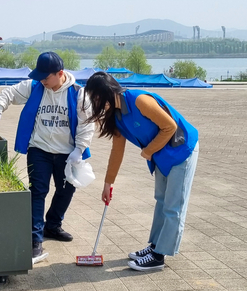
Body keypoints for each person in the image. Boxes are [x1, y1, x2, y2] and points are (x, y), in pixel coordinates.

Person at [83, 71, 199, 271]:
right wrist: (108, 183)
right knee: (161, 201)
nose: (96, 103)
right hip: (162, 154)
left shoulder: (139, 100)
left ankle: (159, 257)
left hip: (182, 149)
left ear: (108, 92)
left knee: (173, 206)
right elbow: (117, 151)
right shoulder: (116, 116)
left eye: (96, 97)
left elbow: (169, 127)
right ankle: (155, 246)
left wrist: (147, 151)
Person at [0, 52, 94, 263]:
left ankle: (52, 225)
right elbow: (9, 93)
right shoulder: (35, 87)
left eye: (46, 77)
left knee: (66, 191)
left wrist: (79, 150)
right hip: (40, 150)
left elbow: (87, 124)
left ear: (60, 73)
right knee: (38, 191)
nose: (42, 81)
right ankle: (35, 238)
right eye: (40, 77)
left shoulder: (78, 94)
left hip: (66, 153)